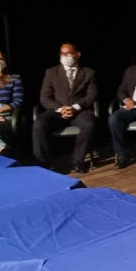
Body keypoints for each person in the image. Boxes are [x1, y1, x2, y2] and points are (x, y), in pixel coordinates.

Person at [33, 42, 98, 173]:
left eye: (69, 53)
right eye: (63, 54)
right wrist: (60, 109)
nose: (66, 57)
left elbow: (92, 95)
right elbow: (44, 98)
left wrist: (75, 107)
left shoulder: (89, 72)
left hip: (79, 111)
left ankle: (78, 161)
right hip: (57, 112)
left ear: (77, 54)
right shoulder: (51, 72)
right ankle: (44, 164)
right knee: (39, 124)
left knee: (89, 123)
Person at [0, 48, 24, 157]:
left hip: (7, 114)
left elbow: (18, 101)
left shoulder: (15, 78)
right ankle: (3, 149)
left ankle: (1, 150)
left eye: (0, 59)